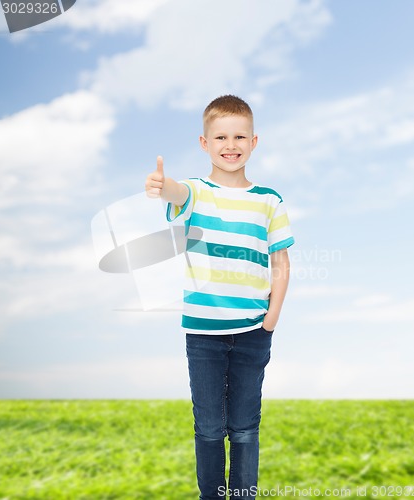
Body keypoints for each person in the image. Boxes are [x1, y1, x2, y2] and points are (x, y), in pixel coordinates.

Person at [145, 95, 294, 499]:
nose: (231, 144)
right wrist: (163, 187)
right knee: (209, 427)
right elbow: (177, 193)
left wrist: (272, 317)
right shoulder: (196, 191)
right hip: (204, 335)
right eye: (221, 136)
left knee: (244, 427)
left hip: (253, 331)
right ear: (204, 143)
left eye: (240, 136)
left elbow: (280, 261)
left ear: (254, 141)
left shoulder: (269, 200)